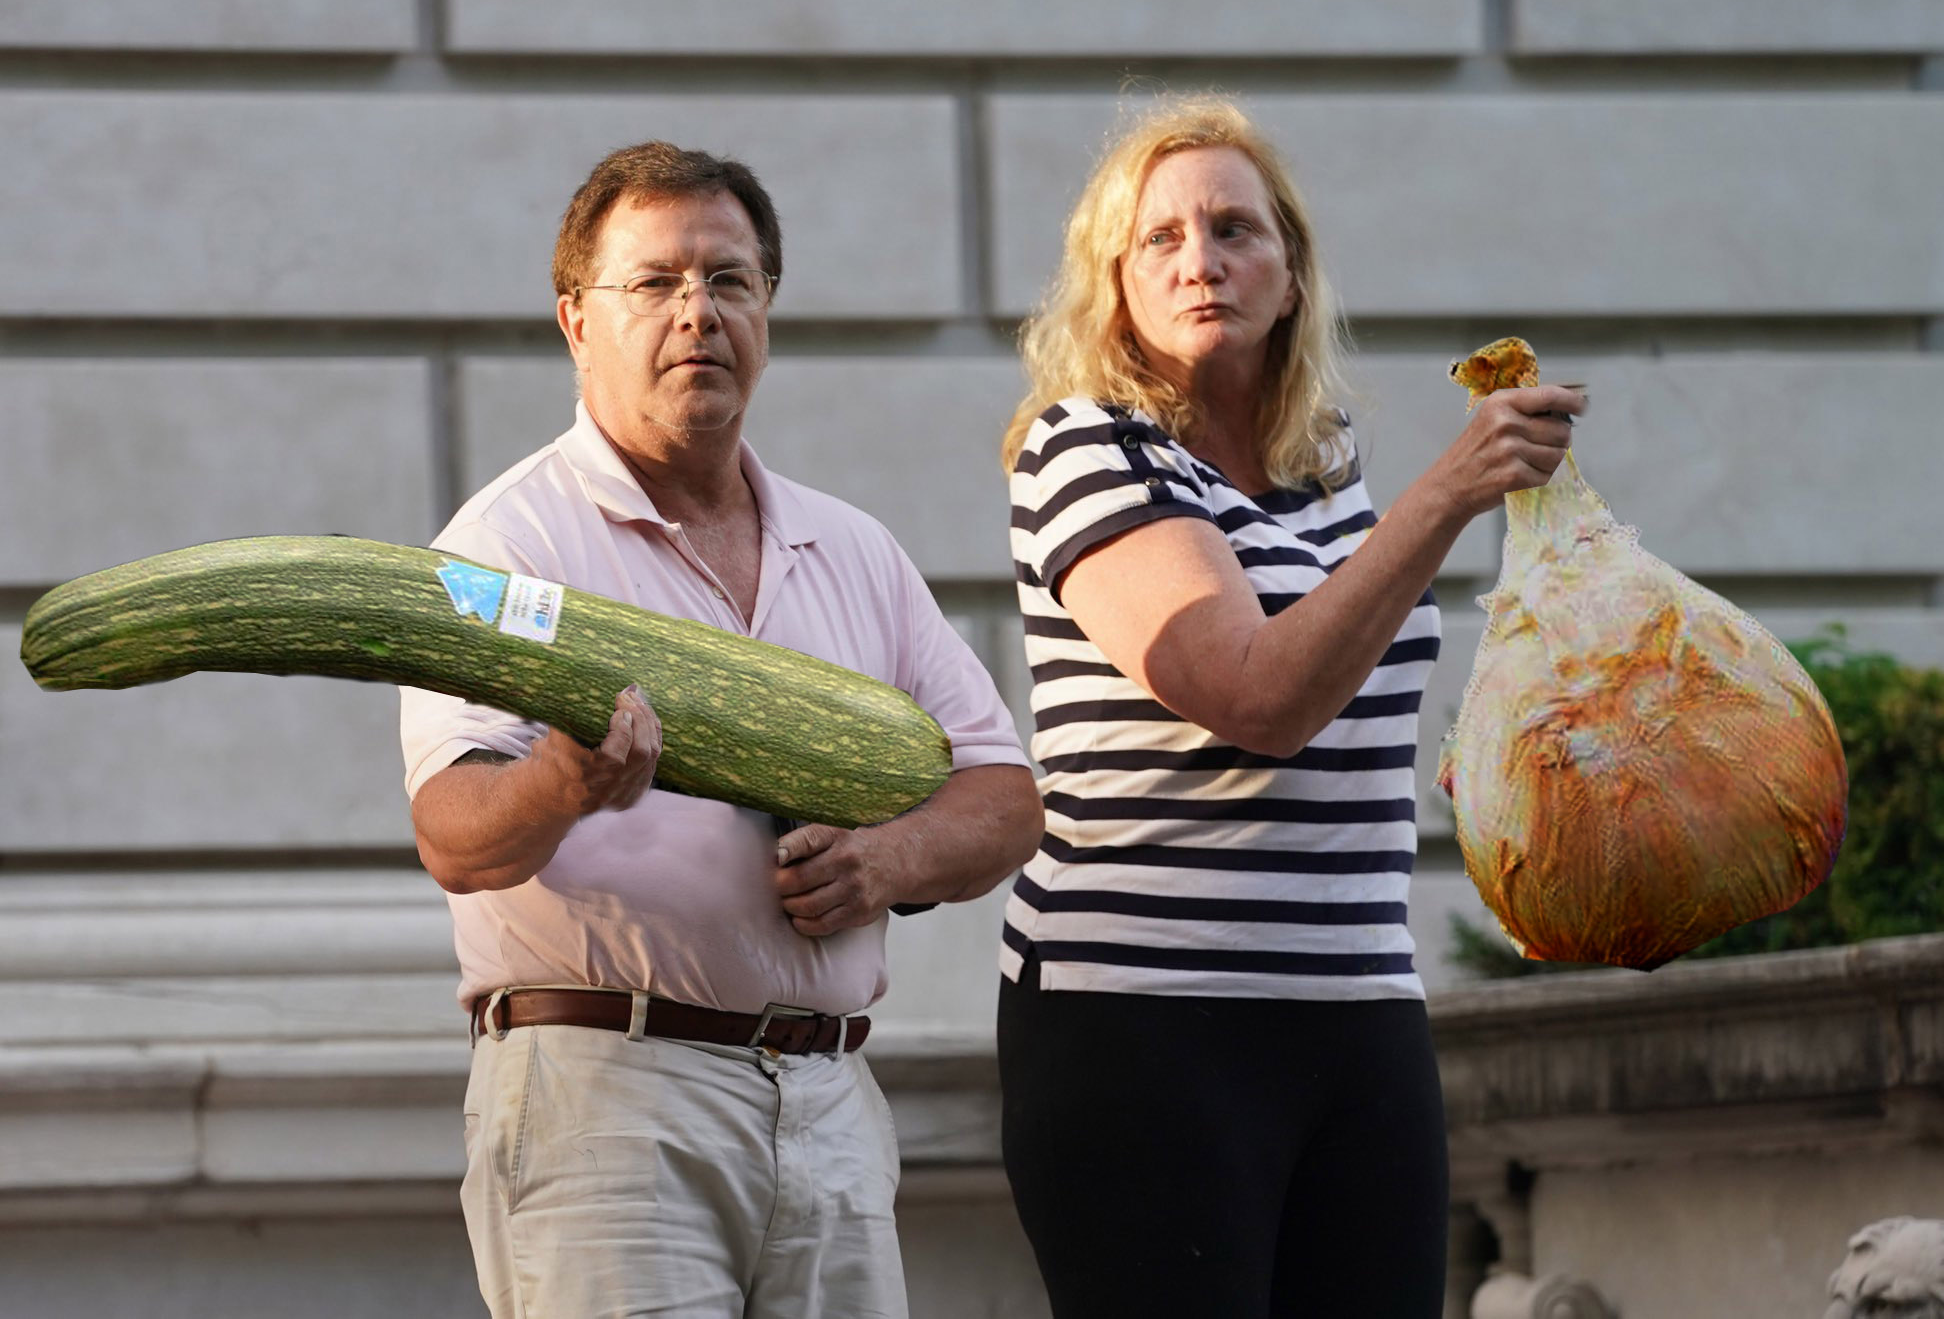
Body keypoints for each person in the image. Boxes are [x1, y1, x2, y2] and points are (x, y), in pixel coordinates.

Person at [399, 141, 1043, 1319]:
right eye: (653, 283)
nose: (696, 312)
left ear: (766, 310)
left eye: (729, 280)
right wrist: (561, 780)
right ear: (575, 321)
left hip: (831, 1097)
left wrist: (887, 859)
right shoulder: (505, 550)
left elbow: (1003, 794)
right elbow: (453, 834)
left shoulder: (849, 547)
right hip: (608, 1099)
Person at [995, 95, 1586, 1318]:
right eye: (1156, 239)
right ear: (1111, 282)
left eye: (1232, 229)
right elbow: (1252, 696)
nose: (1198, 261)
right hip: (1145, 1022)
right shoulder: (1086, 448)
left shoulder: (1329, 473)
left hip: (1356, 1006)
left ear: (1291, 271)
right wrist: (1447, 496)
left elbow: (1352, 703)